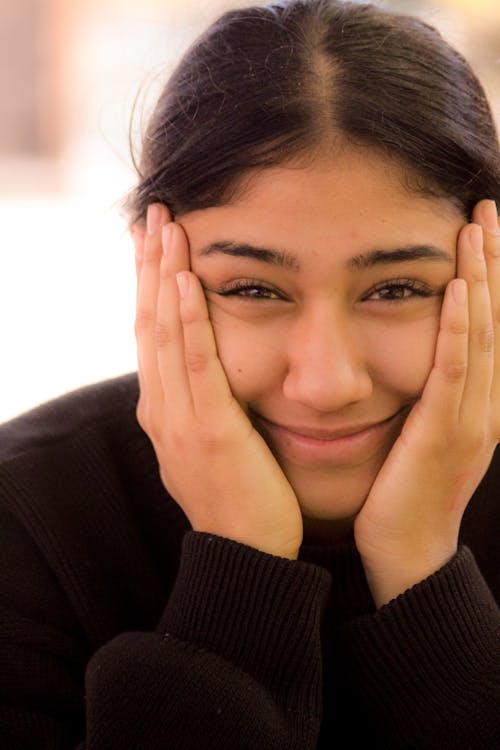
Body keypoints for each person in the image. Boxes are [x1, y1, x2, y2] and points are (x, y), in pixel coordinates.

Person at [1, 0, 499, 747]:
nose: (326, 384)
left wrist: (423, 573)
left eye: (396, 289)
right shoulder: (26, 520)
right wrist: (240, 574)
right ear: (152, 265)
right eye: (253, 290)